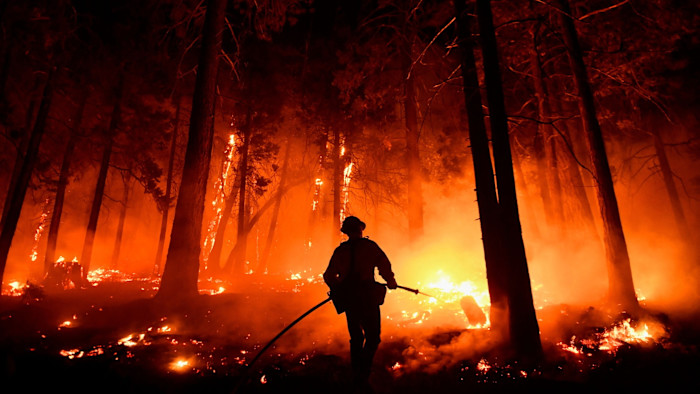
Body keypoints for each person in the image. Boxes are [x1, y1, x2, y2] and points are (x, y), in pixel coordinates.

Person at [323, 216, 398, 388]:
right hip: (367, 298)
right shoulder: (369, 247)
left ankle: (357, 372)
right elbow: (384, 266)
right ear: (360, 229)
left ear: (347, 232)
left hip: (349, 300)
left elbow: (328, 276)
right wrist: (391, 281)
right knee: (373, 338)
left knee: (356, 337)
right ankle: (363, 373)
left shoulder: (340, 251)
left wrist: (337, 289)